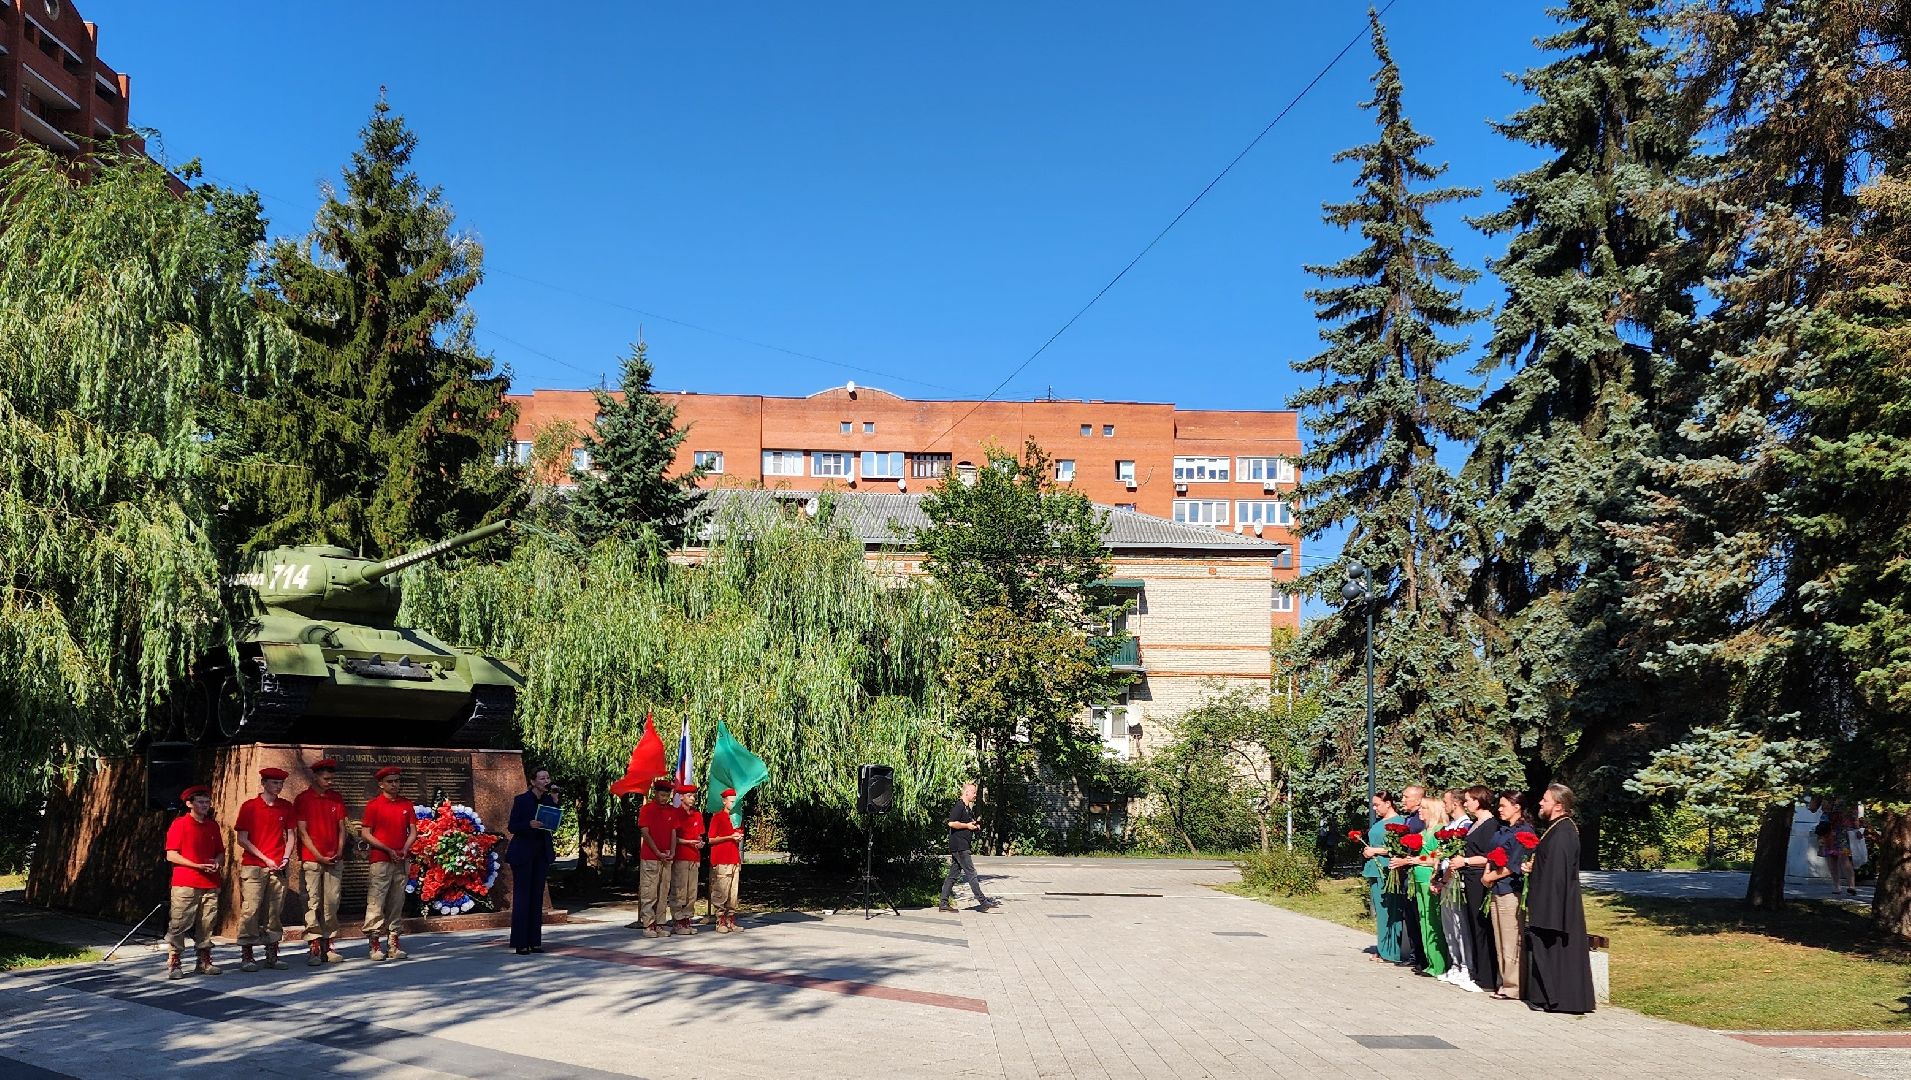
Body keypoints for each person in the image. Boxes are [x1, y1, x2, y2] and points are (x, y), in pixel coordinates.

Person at [1523, 783, 1595, 1014]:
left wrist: (1549, 915)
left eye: (1545, 800)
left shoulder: (1563, 832)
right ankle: (1547, 997)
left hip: (1554, 906)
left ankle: (1557, 998)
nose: (1540, 803)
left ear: (1558, 805)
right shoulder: (1557, 829)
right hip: (1549, 904)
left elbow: (1558, 876)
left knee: (1553, 951)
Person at [232, 766, 298, 973]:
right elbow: (242, 839)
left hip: (278, 865)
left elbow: (291, 835)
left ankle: (272, 953)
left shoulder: (285, 806)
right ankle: (248, 954)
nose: (278, 787)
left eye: (280, 783)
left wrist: (286, 857)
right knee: (250, 909)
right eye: (274, 783)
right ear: (264, 784)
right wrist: (265, 858)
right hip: (255, 866)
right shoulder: (250, 807)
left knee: (275, 910)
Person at [164, 785, 226, 980]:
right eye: (200, 802)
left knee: (207, 923)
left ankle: (204, 959)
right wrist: (195, 865)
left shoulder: (212, 825)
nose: (205, 805)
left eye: (207, 802)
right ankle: (175, 961)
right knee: (180, 922)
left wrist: (217, 862)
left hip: (210, 881)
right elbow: (171, 854)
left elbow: (221, 852)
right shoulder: (180, 824)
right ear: (190, 804)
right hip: (186, 881)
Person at [1483, 791, 1537, 1001]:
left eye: (1504, 805)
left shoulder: (1524, 831)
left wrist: (1490, 876)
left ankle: (1513, 986)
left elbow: (1513, 865)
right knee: (1500, 939)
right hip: (1496, 888)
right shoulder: (1502, 829)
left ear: (1517, 807)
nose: (1500, 808)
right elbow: (1492, 853)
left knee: (1511, 939)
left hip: (1510, 889)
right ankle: (1503, 980)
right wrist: (1488, 874)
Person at [295, 758, 349, 965]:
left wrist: (339, 850)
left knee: (332, 901)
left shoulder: (336, 798)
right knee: (311, 901)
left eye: (331, 778)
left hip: (334, 858)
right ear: (315, 777)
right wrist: (318, 855)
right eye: (326, 778)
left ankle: (330, 941)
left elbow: (342, 828)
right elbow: (302, 831)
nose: (329, 782)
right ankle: (314, 943)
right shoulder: (303, 799)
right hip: (312, 860)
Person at [361, 765, 418, 962]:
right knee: (377, 900)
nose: (394, 785)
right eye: (390, 782)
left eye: (397, 781)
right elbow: (366, 833)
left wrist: (405, 848)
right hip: (381, 860)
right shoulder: (374, 805)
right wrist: (387, 849)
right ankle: (375, 941)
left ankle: (394, 941)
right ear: (381, 784)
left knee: (397, 900)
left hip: (401, 859)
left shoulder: (406, 804)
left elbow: (413, 831)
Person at [505, 767, 560, 955]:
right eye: (542, 778)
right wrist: (528, 825)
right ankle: (521, 942)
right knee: (523, 899)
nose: (546, 781)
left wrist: (555, 802)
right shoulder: (521, 800)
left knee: (537, 898)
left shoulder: (548, 800)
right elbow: (512, 826)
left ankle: (535, 941)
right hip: (523, 854)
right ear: (533, 781)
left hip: (540, 854)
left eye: (548, 777)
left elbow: (553, 825)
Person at [1453, 785, 1501, 993]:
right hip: (1469, 877)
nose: (1465, 803)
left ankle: (1488, 977)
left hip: (1479, 877)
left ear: (1479, 800)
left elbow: (1491, 856)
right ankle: (1479, 973)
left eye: (1468, 800)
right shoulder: (1475, 823)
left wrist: (1465, 860)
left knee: (1482, 926)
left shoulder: (1490, 824)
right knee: (1474, 924)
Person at [1398, 795, 1450, 979]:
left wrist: (1417, 859)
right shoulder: (1423, 832)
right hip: (1417, 879)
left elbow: (1438, 858)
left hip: (1429, 878)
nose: (1420, 811)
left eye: (1424, 808)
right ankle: (1429, 961)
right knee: (1423, 919)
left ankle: (1439, 963)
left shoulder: (1439, 831)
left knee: (1432, 920)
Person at [1360, 790, 1410, 964]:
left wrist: (1376, 850)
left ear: (1388, 803)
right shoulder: (1380, 823)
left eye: (1377, 805)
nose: (1374, 808)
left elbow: (1398, 848)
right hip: (1375, 868)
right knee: (1381, 911)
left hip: (1388, 870)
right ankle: (1382, 948)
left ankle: (1391, 951)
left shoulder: (1398, 822)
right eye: (1373, 805)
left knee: (1389, 909)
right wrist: (1368, 850)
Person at [1435, 789, 1477, 990]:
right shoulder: (1450, 825)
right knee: (1449, 925)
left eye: (1446, 801)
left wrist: (1445, 879)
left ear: (1456, 803)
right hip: (1445, 879)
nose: (1444, 805)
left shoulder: (1465, 826)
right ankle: (1455, 963)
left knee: (1460, 926)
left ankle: (1466, 966)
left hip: (1455, 880)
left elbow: (1457, 857)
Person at [939, 782, 997, 912]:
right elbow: (952, 823)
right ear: (966, 792)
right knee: (971, 872)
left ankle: (943, 904)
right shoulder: (959, 806)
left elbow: (965, 823)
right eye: (974, 792)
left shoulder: (967, 808)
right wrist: (967, 826)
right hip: (959, 846)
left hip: (962, 844)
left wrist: (974, 826)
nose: (975, 795)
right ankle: (983, 901)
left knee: (953, 875)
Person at [636, 777, 678, 938]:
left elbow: (674, 831)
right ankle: (648, 924)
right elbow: (645, 832)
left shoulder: (672, 811)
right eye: (662, 795)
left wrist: (672, 851)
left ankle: (660, 923)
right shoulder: (646, 809)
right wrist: (657, 851)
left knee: (663, 890)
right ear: (656, 793)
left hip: (667, 856)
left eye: (667, 795)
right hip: (651, 857)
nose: (665, 798)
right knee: (649, 890)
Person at [1395, 784, 1428, 971]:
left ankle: (1422, 957)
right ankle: (1415, 955)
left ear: (1417, 798)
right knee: (1410, 915)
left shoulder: (1419, 820)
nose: (1403, 800)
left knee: (1417, 915)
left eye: (1406, 797)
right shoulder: (1409, 819)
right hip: (1408, 870)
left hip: (1416, 869)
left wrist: (1404, 859)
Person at [670, 783, 705, 936]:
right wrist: (689, 842)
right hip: (681, 856)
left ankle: (687, 918)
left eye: (694, 796)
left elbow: (699, 834)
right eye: (689, 796)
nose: (692, 799)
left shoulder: (697, 815)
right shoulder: (676, 814)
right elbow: (673, 839)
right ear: (681, 797)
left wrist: (700, 842)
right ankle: (678, 920)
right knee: (679, 889)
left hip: (694, 857)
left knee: (692, 890)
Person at [707, 788, 744, 933]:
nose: (734, 804)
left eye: (736, 801)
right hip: (721, 859)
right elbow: (711, 839)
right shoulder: (718, 817)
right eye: (731, 801)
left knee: (733, 892)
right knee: (721, 890)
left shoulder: (737, 818)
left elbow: (739, 834)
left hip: (734, 858)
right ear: (724, 801)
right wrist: (729, 837)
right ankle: (720, 920)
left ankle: (730, 918)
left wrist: (738, 837)